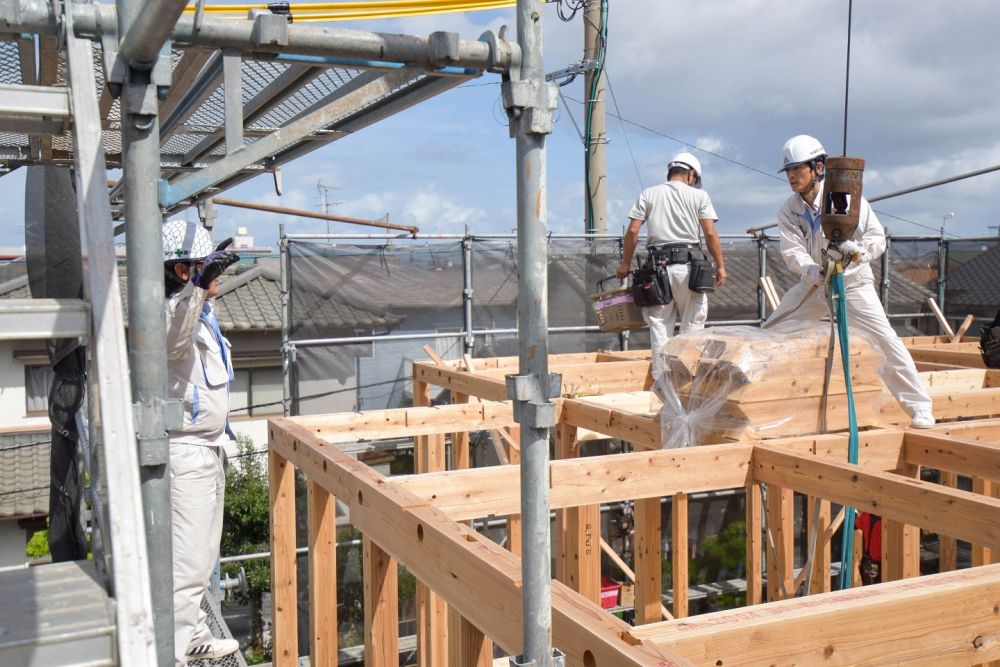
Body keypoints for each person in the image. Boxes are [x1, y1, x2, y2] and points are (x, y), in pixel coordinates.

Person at [766, 134, 935, 428]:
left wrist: (858, 253)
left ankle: (921, 408)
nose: (792, 175)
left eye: (798, 168)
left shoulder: (848, 198)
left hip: (853, 284)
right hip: (815, 285)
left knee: (885, 342)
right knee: (773, 330)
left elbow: (876, 238)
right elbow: (791, 250)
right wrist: (811, 272)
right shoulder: (789, 210)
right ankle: (756, 398)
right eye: (788, 170)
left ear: (818, 167)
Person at [162, 219, 241, 665]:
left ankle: (191, 635)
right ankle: (173, 652)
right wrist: (196, 286)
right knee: (188, 562)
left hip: (208, 448)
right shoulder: (171, 310)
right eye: (207, 268)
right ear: (182, 271)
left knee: (203, 553)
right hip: (185, 451)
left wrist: (198, 287)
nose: (217, 279)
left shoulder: (203, 316)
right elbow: (172, 343)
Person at [616, 152, 727, 380]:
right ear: (691, 174)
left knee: (659, 328)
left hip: (657, 271)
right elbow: (709, 233)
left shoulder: (648, 194)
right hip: (690, 269)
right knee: (692, 329)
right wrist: (720, 266)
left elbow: (634, 231)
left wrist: (625, 263)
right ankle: (688, 384)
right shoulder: (699, 196)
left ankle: (663, 388)